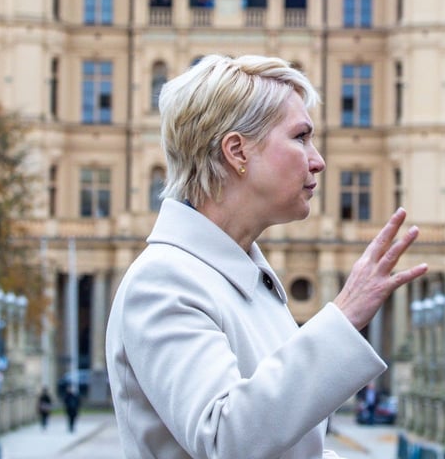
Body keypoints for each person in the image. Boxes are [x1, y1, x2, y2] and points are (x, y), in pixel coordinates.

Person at [105, 54, 428, 458]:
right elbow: (226, 439)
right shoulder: (164, 281)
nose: (318, 160)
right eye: (300, 137)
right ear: (237, 151)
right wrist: (344, 316)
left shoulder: (242, 280)